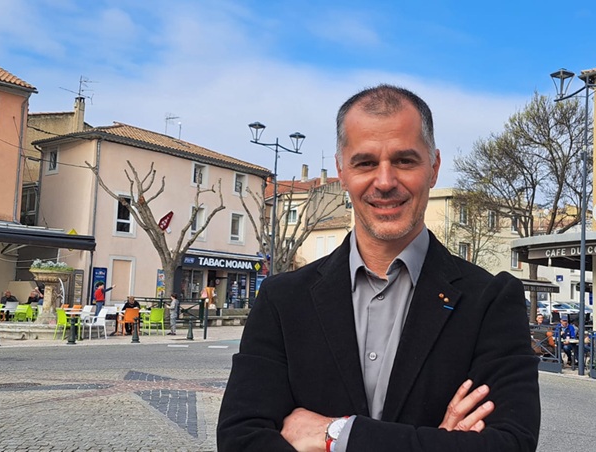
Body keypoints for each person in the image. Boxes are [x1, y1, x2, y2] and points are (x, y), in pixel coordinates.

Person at [217, 85, 540, 451]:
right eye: (366, 163)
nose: (385, 182)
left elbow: (510, 444)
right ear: (342, 171)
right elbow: (239, 440)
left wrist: (336, 435)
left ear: (433, 168)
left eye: (404, 161)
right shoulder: (283, 300)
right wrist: (437, 443)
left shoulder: (490, 301)